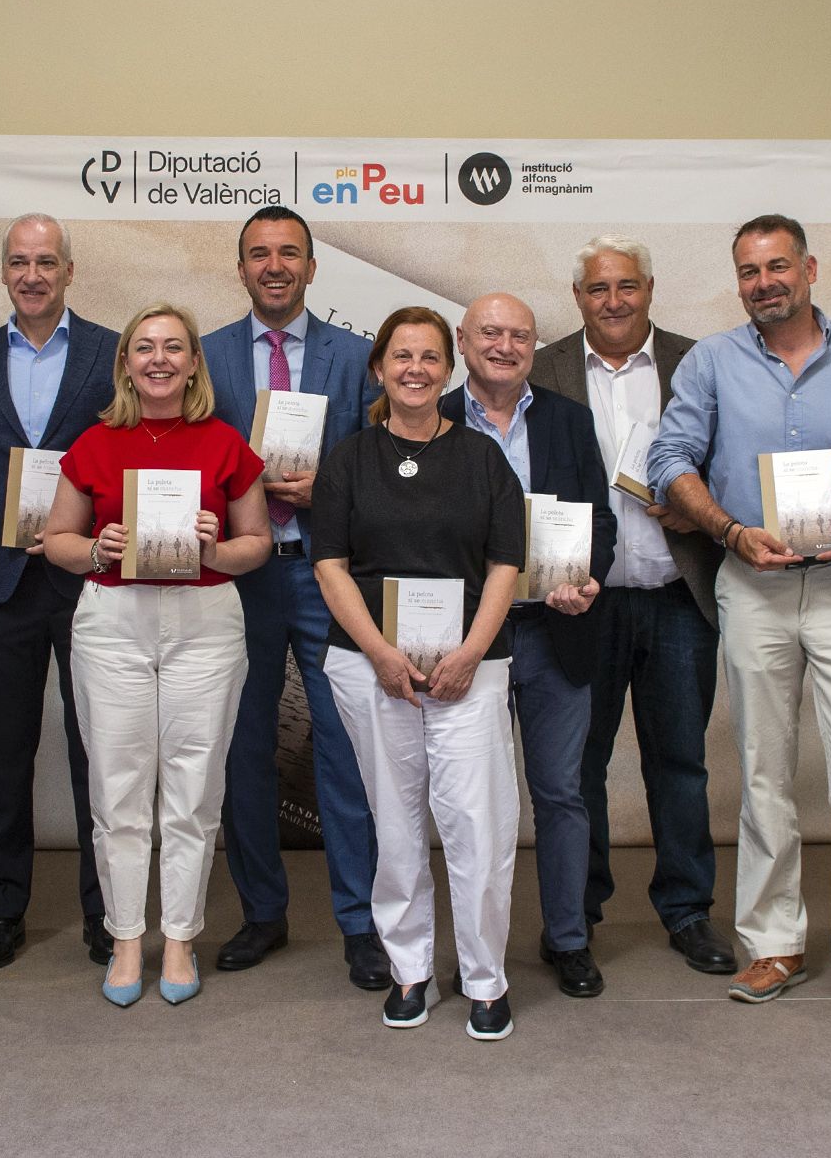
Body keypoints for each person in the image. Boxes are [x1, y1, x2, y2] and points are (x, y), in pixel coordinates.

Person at [649, 215, 831, 1029]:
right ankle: (774, 943)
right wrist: (730, 530)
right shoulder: (710, 361)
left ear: (809, 268)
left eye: (777, 266)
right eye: (748, 270)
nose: (763, 282)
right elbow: (669, 461)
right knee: (763, 773)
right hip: (754, 583)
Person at [40, 303, 270, 1005]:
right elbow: (57, 540)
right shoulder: (93, 444)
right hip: (114, 620)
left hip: (205, 621)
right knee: (118, 788)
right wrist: (96, 547)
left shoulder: (226, 443)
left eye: (174, 347)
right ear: (126, 363)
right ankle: (123, 938)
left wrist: (214, 550)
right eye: (144, 347)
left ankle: (178, 938)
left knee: (194, 788)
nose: (159, 359)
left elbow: (257, 542)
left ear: (195, 362)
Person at [314, 307, 524, 1040]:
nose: (415, 369)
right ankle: (410, 970)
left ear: (449, 369)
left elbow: (506, 564)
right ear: (378, 368)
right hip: (373, 667)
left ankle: (486, 978)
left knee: (477, 825)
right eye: (401, 356)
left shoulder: (483, 459)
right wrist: (379, 651)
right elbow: (330, 566)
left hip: (472, 668)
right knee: (396, 826)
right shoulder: (348, 460)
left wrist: (469, 651)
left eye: (430, 357)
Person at [529, 235, 735, 976]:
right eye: (597, 288)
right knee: (577, 766)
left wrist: (705, 510)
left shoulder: (698, 361)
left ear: (649, 288)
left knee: (679, 761)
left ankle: (687, 910)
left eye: (626, 286)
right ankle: (575, 914)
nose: (613, 301)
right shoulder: (544, 367)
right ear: (577, 296)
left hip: (676, 595)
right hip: (578, 600)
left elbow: (734, 458)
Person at [201, 205, 384, 988]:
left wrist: (330, 490)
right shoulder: (205, 354)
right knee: (243, 747)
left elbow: (383, 461)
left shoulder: (359, 356)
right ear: (241, 267)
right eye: (258, 253)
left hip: (324, 571)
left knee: (343, 748)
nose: (273, 266)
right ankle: (262, 912)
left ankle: (361, 922)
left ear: (312, 267)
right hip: (235, 574)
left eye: (288, 253)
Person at [0, 214, 118, 971]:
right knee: (5, 756)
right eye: (19, 261)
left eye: (47, 261)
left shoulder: (112, 351)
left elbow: (124, 458)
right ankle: (3, 912)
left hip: (88, 579)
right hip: (4, 584)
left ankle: (105, 913)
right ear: (3, 272)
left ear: (70, 271)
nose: (33, 274)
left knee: (98, 754)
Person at [441, 293, 616, 997]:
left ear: (534, 347)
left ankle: (568, 937)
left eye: (519, 335)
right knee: (472, 802)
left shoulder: (569, 420)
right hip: (466, 641)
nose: (505, 346)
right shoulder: (434, 418)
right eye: (490, 332)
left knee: (561, 792)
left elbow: (600, 521)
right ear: (462, 340)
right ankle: (476, 946)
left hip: (555, 630)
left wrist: (590, 577)